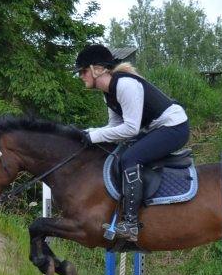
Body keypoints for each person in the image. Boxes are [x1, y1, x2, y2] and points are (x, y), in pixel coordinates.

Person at [73, 43, 190, 243]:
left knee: (130, 158)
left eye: (83, 71)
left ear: (97, 69)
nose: (80, 76)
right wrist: (90, 132)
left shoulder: (126, 86)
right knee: (118, 153)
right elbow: (114, 127)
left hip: (174, 128)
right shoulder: (108, 94)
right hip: (156, 129)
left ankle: (131, 224)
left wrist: (93, 136)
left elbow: (131, 129)